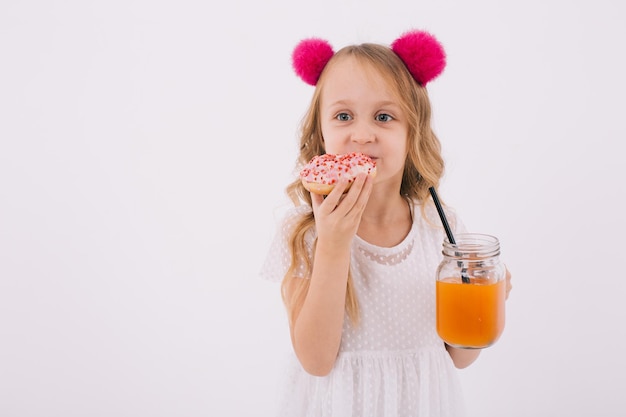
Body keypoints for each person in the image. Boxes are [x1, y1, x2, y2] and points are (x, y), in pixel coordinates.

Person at [260, 29, 512, 417]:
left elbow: (460, 356)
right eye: (343, 116)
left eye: (384, 117)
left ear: (413, 132)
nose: (362, 135)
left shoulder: (438, 226)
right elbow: (316, 360)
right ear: (320, 132)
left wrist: (485, 302)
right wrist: (333, 243)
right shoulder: (305, 233)